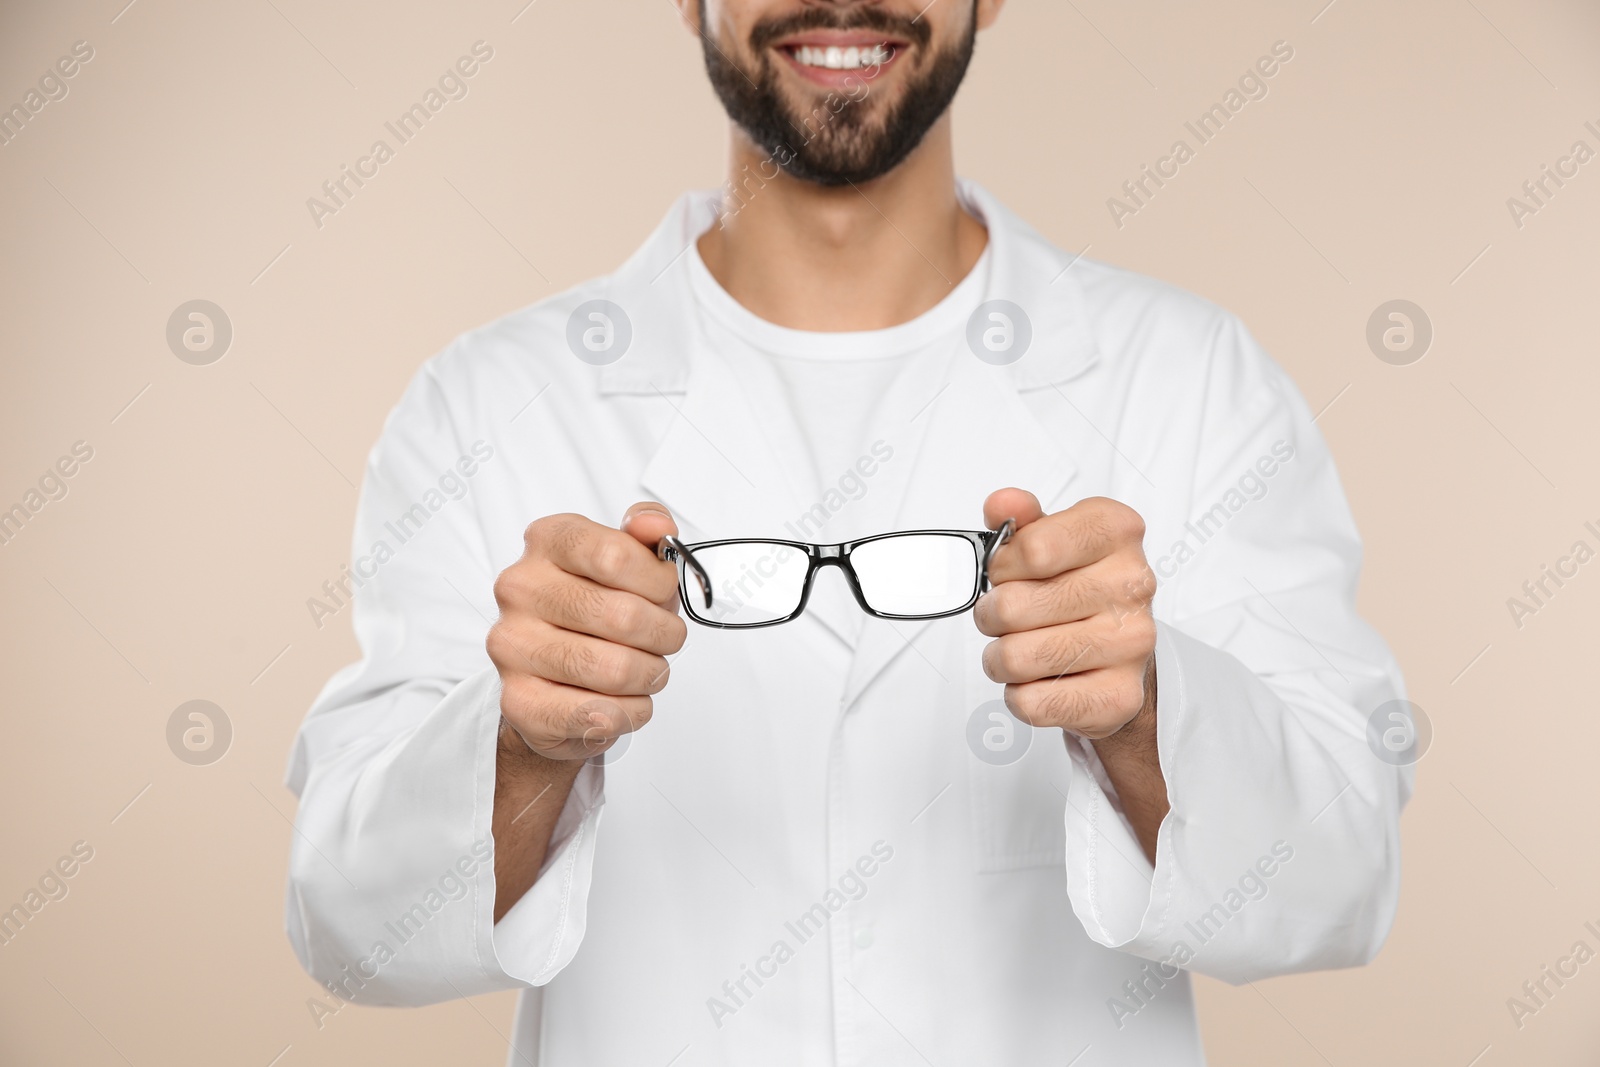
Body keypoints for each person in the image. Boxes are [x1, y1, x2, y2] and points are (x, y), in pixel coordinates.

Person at [284, 1, 1410, 1062]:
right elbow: (352, 927)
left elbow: (1342, 873)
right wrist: (519, 744)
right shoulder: (488, 406)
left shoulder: (1188, 379)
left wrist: (1148, 711)